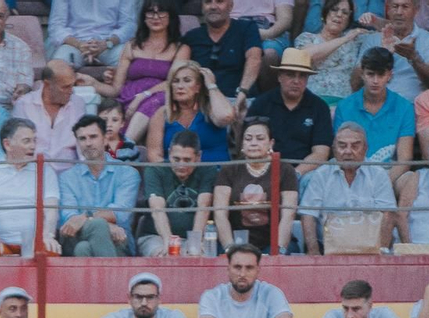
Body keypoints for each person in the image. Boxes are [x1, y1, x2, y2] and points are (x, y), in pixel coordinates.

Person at [99, 0, 187, 150]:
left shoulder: (181, 49)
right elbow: (115, 89)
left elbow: (173, 82)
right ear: (144, 17)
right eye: (151, 12)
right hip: (129, 97)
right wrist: (93, 83)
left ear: (171, 16)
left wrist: (143, 95)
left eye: (161, 12)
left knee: (156, 100)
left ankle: (124, 146)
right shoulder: (132, 46)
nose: (156, 16)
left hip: (159, 97)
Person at [299, 121, 396, 253]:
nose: (348, 151)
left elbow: (388, 214)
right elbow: (308, 216)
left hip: (371, 249)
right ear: (334, 149)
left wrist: (382, 252)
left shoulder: (378, 174)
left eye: (355, 146)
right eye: (342, 146)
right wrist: (314, 254)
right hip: (328, 250)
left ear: (366, 148)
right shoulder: (321, 174)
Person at [0, 116, 61, 255]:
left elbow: (51, 210)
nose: (33, 146)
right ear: (7, 144)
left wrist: (47, 235)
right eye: (26, 141)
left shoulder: (45, 171)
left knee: (50, 249)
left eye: (34, 141)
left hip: (34, 243)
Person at [245, 47, 333, 179]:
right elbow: (250, 146)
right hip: (265, 169)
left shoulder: (319, 107)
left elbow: (321, 153)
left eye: (302, 76)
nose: (296, 81)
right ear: (279, 76)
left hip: (305, 172)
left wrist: (294, 175)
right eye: (290, 74)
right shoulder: (261, 104)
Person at [197, 242, 296, 318]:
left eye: (249, 268)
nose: (242, 274)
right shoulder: (212, 296)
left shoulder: (271, 293)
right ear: (228, 269)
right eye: (237, 267)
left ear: (258, 271)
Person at [58, 114, 136, 257]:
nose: (88, 143)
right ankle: (112, 278)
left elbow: (120, 214)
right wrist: (104, 224)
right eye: (82, 138)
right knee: (97, 228)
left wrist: (87, 218)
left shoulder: (127, 173)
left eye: (93, 137)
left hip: (117, 240)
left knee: (83, 249)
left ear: (105, 139)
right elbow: (69, 217)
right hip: (76, 236)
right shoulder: (67, 178)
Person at [213, 117, 297, 251]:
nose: (253, 143)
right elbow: (220, 213)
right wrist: (230, 248)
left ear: (271, 143)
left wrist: (279, 249)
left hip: (274, 243)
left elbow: (289, 214)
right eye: (248, 139)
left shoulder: (285, 170)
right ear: (242, 144)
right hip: (235, 242)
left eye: (260, 138)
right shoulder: (228, 169)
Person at [333, 45, 414, 179]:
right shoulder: (345, 106)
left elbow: (405, 159)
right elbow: (339, 153)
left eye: (381, 75)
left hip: (389, 173)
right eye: (371, 74)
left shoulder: (404, 107)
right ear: (362, 74)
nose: (375, 81)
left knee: (410, 178)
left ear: (389, 75)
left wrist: (380, 185)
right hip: (352, 171)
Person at [137, 128, 214, 254]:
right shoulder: (155, 170)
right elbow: (157, 209)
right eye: (176, 159)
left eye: (187, 160)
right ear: (169, 153)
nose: (181, 165)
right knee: (162, 255)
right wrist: (170, 243)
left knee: (195, 256)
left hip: (195, 238)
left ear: (199, 157)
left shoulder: (207, 170)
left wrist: (194, 243)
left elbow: (204, 206)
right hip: (156, 237)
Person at [146, 58, 235, 163]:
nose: (180, 86)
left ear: (198, 87)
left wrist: (211, 85)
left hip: (216, 174)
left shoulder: (211, 108)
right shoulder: (161, 114)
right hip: (176, 175)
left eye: (187, 80)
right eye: (175, 81)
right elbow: (154, 156)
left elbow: (226, 117)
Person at [351, 0, 429, 101]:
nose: (399, 12)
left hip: (412, 107)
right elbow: (355, 84)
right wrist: (380, 55)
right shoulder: (373, 39)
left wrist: (414, 57)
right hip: (376, 107)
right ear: (387, 9)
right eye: (395, 6)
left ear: (416, 10)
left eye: (405, 7)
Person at [182, 0, 261, 103]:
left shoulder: (246, 28)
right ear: (202, 7)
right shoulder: (192, 37)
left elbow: (254, 59)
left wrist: (243, 91)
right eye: (208, 2)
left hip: (240, 99)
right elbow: (180, 68)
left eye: (219, 1)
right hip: (202, 102)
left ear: (230, 6)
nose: (213, 7)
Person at [89, 271, 193, 318]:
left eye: (150, 297)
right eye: (138, 297)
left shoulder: (173, 315)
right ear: (129, 298)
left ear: (159, 299)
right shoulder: (118, 317)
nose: (144, 303)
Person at [11, 58, 85, 163]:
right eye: (65, 87)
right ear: (47, 85)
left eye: (73, 85)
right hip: (34, 172)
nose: (71, 91)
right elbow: (18, 149)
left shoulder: (78, 103)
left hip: (69, 173)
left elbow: (84, 146)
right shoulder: (24, 105)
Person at [293, 0, 365, 106]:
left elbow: (382, 36)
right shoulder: (307, 38)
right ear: (324, 13)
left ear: (349, 20)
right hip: (312, 100)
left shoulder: (356, 41)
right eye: (334, 10)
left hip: (343, 102)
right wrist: (345, 39)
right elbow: (308, 56)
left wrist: (374, 21)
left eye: (345, 13)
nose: (339, 14)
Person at [45, 0, 134, 70]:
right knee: (58, 66)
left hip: (109, 45)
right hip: (75, 45)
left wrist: (107, 43)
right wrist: (79, 44)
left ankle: (123, 92)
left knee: (134, 63)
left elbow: (129, 25)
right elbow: (56, 27)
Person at [315, 278, 407, 318]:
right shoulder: (335, 314)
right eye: (345, 308)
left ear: (369, 306)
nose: (349, 315)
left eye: (356, 309)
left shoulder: (382, 314)